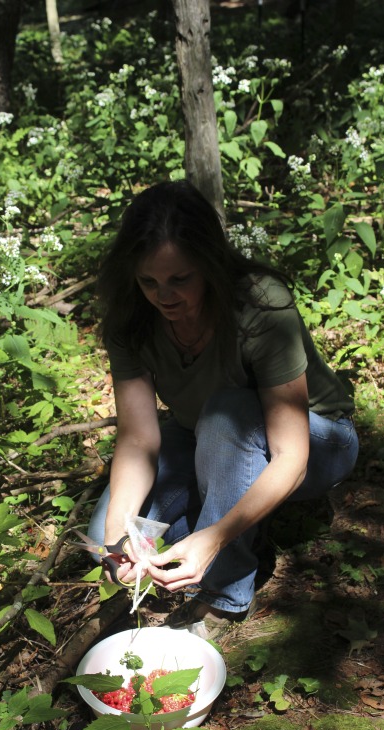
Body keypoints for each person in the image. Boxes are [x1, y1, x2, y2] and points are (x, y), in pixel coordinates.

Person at [87, 180, 358, 633]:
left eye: (180, 278)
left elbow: (292, 456)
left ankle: (222, 591)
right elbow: (138, 438)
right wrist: (121, 535)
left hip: (318, 440)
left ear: (210, 265)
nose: (164, 296)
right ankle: (228, 520)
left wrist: (213, 540)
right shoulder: (131, 317)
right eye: (148, 281)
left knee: (225, 414)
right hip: (202, 435)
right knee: (105, 542)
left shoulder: (259, 306)